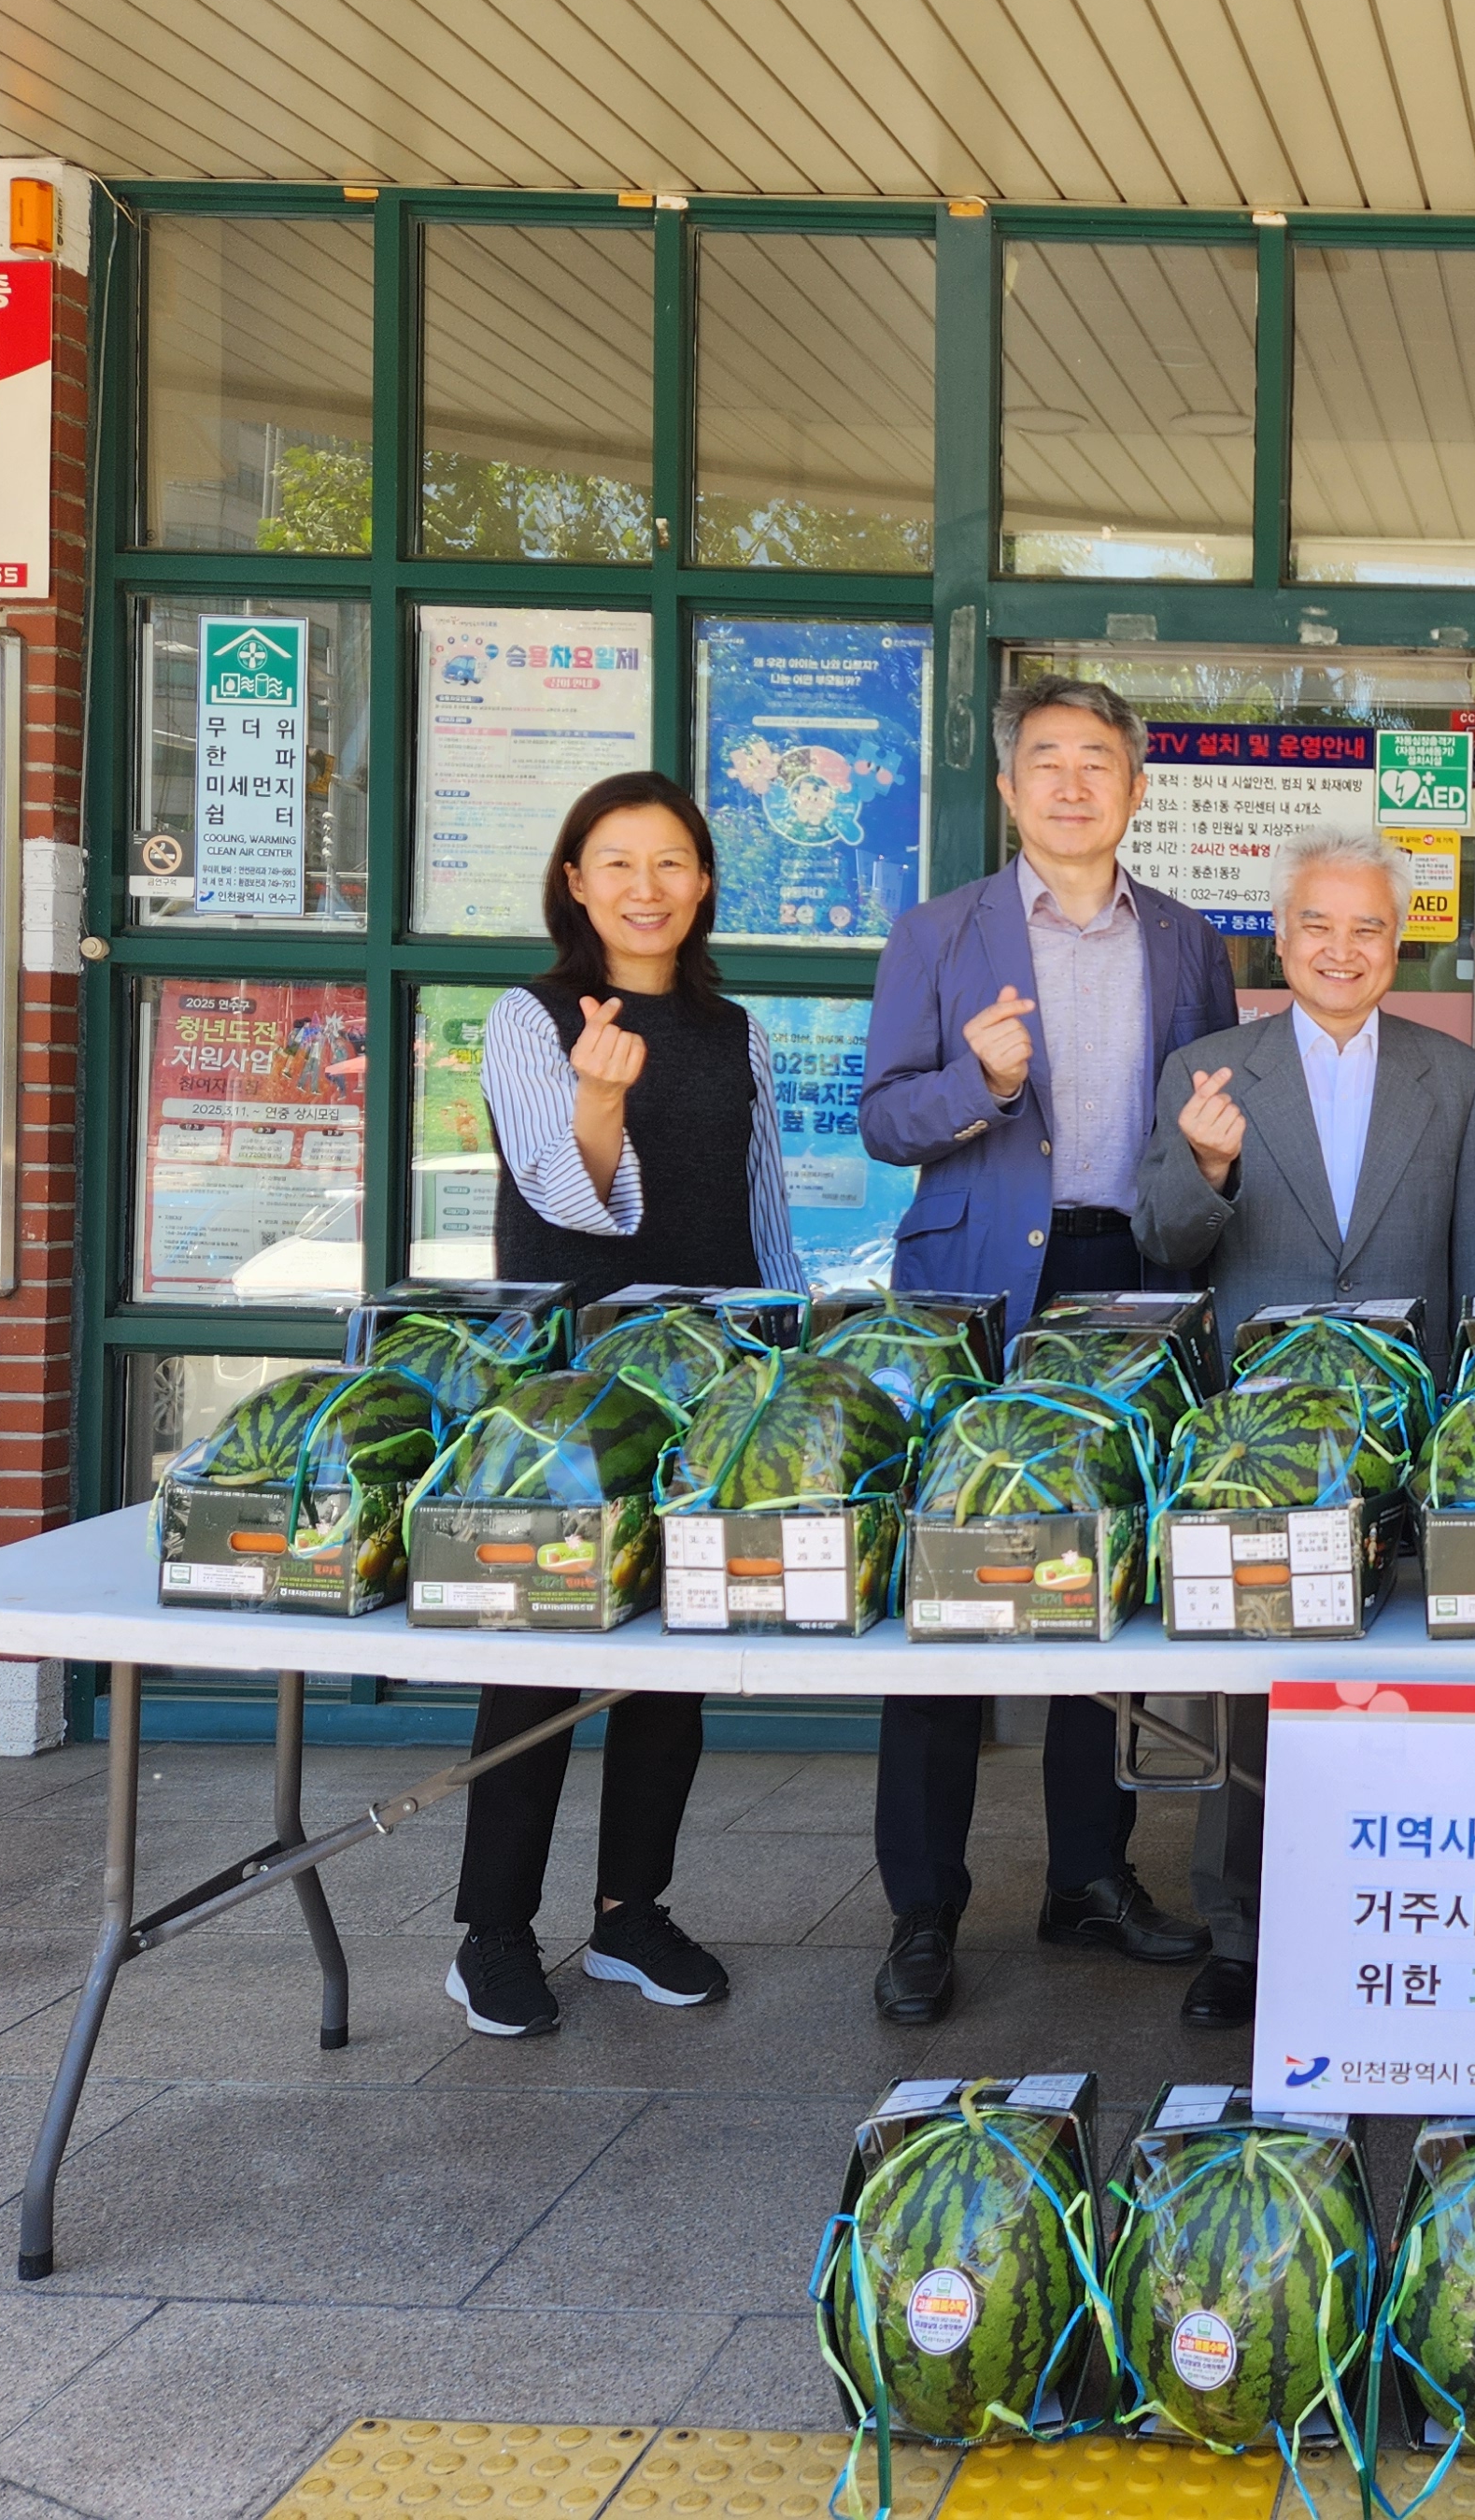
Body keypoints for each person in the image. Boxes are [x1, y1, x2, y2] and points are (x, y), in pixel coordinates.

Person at [856, 676, 1238, 2028]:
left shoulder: (1187, 940)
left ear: (1136, 791)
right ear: (1010, 791)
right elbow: (884, 1121)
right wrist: (988, 1090)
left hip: (1122, 1280)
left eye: (1099, 763)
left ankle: (1087, 1873)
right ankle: (922, 1908)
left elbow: (1207, 1116)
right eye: (1046, 763)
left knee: (1103, 1587)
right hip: (975, 1290)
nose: (1073, 784)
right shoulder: (938, 931)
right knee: (944, 1596)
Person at [445, 771, 800, 2038]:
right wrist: (602, 1097)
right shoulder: (529, 1019)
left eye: (671, 865)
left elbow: (762, 1210)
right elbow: (568, 1197)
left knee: (675, 1649)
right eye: (618, 863)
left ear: (703, 884)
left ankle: (628, 1913)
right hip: (574, 1389)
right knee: (541, 1653)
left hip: (711, 1376)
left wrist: (786, 1345)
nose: (645, 888)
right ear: (574, 880)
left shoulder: (734, 1028)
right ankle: (492, 1929)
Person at [1135, 828, 1475, 2029]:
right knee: (1260, 1684)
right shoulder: (1209, 1067)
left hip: (1403, 1429)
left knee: (1402, 1680)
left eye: (1368, 929)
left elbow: (1474, 1267)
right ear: (1280, 939)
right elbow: (1166, 1245)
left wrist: (1458, 1417)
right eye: (1318, 926)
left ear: (1399, 945)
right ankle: (1240, 1934)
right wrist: (1203, 1164)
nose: (1341, 949)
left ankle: (1399, 1911)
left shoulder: (1456, 1079)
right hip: (1261, 1440)